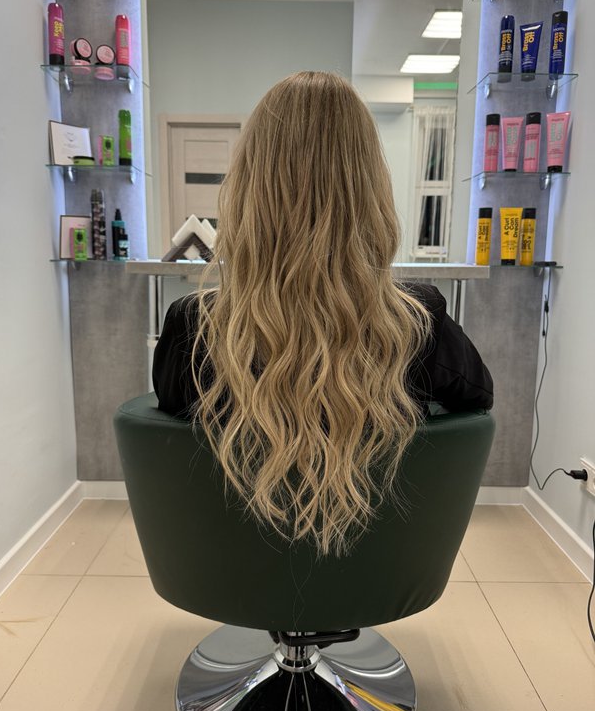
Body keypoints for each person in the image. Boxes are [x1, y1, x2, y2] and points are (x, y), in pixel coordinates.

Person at [153, 71, 493, 555]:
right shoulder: (417, 320)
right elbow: (478, 399)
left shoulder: (193, 326)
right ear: (370, 189)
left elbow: (176, 442)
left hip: (233, 567)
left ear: (248, 188)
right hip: (371, 564)